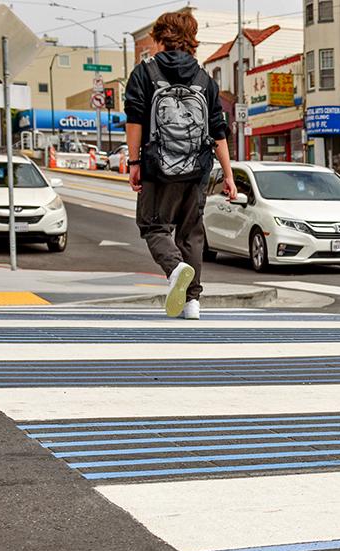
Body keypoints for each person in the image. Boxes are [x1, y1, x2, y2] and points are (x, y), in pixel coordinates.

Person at [124, 9, 236, 320]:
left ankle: (175, 268)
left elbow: (134, 121)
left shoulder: (144, 73)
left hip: (158, 167)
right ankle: (192, 303)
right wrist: (228, 176)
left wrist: (134, 162)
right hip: (197, 168)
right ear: (191, 40)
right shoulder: (204, 78)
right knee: (191, 233)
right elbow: (218, 131)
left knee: (152, 225)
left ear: (160, 38)